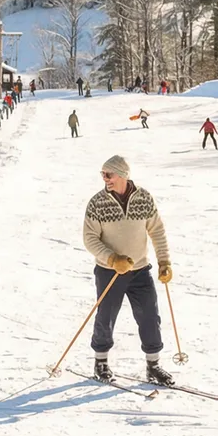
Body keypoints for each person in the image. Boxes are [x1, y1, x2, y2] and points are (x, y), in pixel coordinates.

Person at [81, 156, 174, 386]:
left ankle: (153, 365)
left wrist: (164, 262)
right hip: (109, 271)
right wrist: (112, 259)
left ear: (122, 174)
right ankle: (100, 363)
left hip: (140, 269)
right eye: (102, 174)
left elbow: (157, 231)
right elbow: (90, 238)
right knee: (106, 316)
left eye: (108, 174)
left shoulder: (144, 198)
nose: (105, 179)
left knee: (150, 316)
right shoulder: (97, 203)